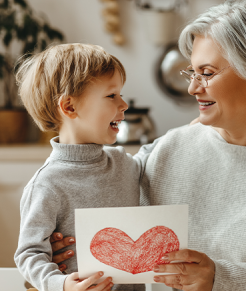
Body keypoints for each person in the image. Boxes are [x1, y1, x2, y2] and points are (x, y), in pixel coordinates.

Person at [51, 0, 246, 291]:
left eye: (207, 73)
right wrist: (69, 248)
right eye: (192, 73)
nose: (193, 88)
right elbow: (106, 219)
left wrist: (219, 277)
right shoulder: (171, 147)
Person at [14, 44, 149, 291]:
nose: (124, 104)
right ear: (69, 107)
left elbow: (160, 152)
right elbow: (29, 253)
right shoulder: (46, 183)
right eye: (111, 95)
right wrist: (61, 284)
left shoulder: (123, 163)